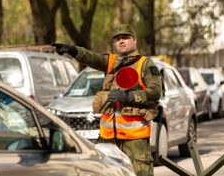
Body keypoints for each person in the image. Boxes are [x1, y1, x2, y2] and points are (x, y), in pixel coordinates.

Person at [52, 24, 162, 176]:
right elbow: (91, 57)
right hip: (109, 138)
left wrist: (129, 96)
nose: (121, 41)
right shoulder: (111, 62)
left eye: (125, 38)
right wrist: (73, 50)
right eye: (117, 39)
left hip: (135, 138)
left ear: (134, 41)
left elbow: (155, 91)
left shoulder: (145, 64)